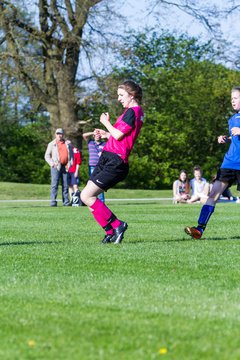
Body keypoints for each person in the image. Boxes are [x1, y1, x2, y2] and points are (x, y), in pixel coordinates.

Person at [80, 80, 144, 244]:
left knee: (87, 195)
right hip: (109, 157)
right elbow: (119, 136)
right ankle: (110, 232)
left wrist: (106, 123)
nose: (119, 99)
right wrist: (105, 134)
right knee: (86, 196)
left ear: (132, 95)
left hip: (115, 161)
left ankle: (117, 225)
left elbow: (118, 135)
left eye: (121, 95)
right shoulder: (130, 112)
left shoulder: (133, 112)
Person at [185, 86, 240, 239]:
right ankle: (199, 229)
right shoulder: (232, 119)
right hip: (229, 163)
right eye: (231, 99)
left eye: (235, 98)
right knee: (213, 194)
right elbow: (235, 138)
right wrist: (225, 138)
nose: (232, 101)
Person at [44, 128, 73, 207]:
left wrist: (70, 164)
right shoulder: (52, 144)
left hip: (65, 166)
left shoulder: (68, 144)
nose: (59, 135)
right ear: (55, 134)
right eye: (58, 133)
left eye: (61, 134)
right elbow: (47, 156)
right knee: (54, 184)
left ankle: (66, 202)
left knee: (66, 185)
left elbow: (71, 155)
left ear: (63, 135)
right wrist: (52, 164)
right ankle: (53, 201)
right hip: (56, 167)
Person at [82, 131, 106, 202]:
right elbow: (84, 135)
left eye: (99, 135)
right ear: (93, 136)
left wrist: (104, 134)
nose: (97, 136)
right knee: (92, 184)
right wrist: (93, 132)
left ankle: (101, 201)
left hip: (101, 167)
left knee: (100, 184)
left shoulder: (104, 144)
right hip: (92, 166)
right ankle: (92, 200)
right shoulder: (90, 142)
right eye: (96, 135)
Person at [66, 141, 82, 206]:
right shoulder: (64, 151)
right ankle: (72, 200)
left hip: (74, 170)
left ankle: (77, 200)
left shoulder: (75, 150)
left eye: (69, 144)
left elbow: (78, 161)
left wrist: (76, 171)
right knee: (70, 186)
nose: (68, 145)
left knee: (75, 186)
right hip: (67, 171)